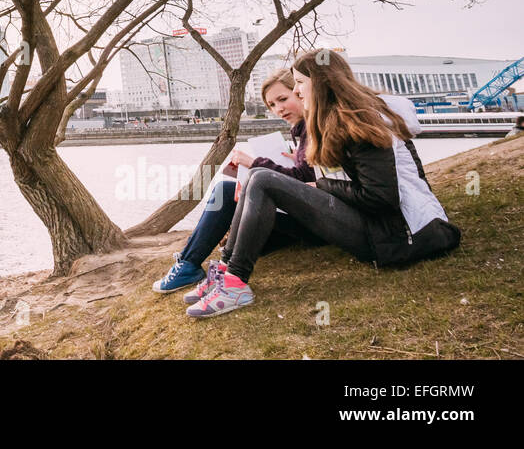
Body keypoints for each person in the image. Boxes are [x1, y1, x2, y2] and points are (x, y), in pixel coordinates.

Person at [186, 49, 461, 318]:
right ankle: (226, 272)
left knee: (263, 178)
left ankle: (235, 282)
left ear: (322, 83)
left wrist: (323, 185)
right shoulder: (337, 122)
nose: (297, 93)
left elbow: (381, 198)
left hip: (400, 237)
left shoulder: (361, 123)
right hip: (378, 226)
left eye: (300, 84)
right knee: (259, 177)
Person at [152, 69, 317, 294]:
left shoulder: (313, 129)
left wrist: (254, 162)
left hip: (312, 223)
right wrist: (293, 159)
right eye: (272, 105)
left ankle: (189, 264)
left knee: (225, 190)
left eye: (283, 99)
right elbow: (307, 176)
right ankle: (189, 261)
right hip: (300, 215)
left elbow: (305, 182)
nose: (279, 109)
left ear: (299, 92)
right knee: (228, 189)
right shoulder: (301, 130)